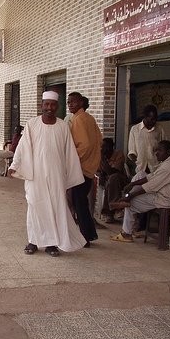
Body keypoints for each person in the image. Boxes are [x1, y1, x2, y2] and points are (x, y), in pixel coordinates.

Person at [8, 91, 86, 257]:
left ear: (57, 106)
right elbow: (22, 147)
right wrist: (14, 165)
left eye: (53, 104)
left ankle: (51, 244)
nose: (49, 108)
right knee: (35, 206)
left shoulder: (63, 126)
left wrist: (69, 178)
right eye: (47, 104)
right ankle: (33, 241)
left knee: (54, 207)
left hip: (56, 176)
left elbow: (69, 153)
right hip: (35, 176)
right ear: (42, 105)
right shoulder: (32, 124)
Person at [109, 140, 170, 243]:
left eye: (160, 151)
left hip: (162, 198)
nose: (156, 153)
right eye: (156, 150)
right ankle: (131, 226)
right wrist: (132, 184)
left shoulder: (168, 166)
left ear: (168, 151)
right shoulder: (165, 163)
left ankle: (127, 233)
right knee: (140, 174)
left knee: (130, 203)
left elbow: (150, 186)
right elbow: (150, 176)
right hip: (158, 191)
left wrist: (130, 195)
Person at [68, 91, 102, 247]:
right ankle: (89, 234)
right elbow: (98, 140)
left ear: (81, 103)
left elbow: (85, 145)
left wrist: (74, 161)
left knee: (79, 203)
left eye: (73, 102)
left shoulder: (80, 120)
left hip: (82, 168)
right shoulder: (88, 118)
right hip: (90, 166)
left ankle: (85, 238)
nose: (70, 105)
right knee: (81, 202)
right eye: (68, 102)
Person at [97, 138, 129, 223]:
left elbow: (111, 172)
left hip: (120, 180)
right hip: (108, 182)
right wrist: (99, 174)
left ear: (112, 146)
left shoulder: (119, 155)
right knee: (109, 183)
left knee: (113, 178)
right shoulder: (99, 156)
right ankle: (114, 211)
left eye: (106, 147)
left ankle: (109, 212)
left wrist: (103, 159)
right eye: (102, 147)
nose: (104, 149)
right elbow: (96, 170)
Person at [128, 105, 166, 173]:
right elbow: (131, 150)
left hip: (155, 167)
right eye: (151, 119)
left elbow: (164, 146)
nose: (154, 121)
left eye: (155, 119)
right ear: (145, 117)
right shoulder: (135, 129)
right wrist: (137, 162)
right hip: (140, 167)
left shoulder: (159, 129)